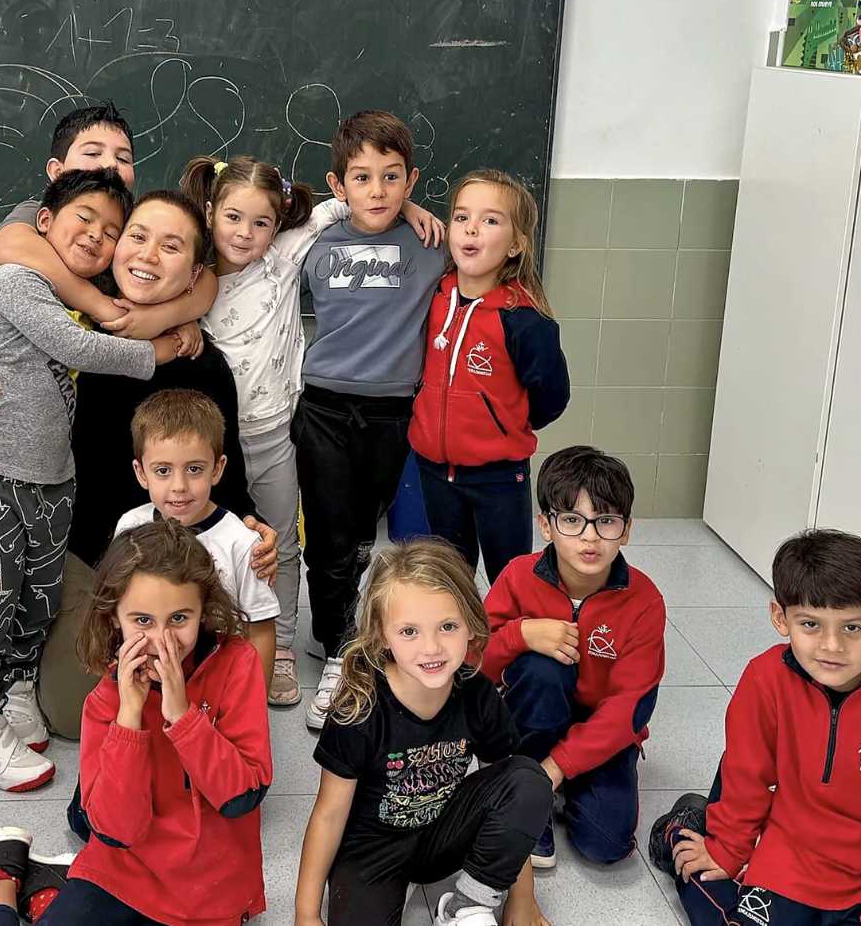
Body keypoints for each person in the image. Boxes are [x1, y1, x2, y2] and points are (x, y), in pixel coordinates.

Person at [0, 188, 278, 740]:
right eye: (136, 237)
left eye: (171, 247)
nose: (146, 255)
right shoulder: (66, 332)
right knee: (74, 715)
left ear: (195, 276)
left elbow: (225, 473)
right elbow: (9, 408)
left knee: (177, 688)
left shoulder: (204, 364)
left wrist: (254, 529)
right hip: (85, 552)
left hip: (172, 571)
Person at [0, 168, 178, 791]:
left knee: (34, 602)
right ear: (43, 223)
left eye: (111, 231)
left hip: (51, 481)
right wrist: (163, 351)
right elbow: (81, 349)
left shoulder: (73, 289)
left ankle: (12, 698)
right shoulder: (16, 281)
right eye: (84, 221)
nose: (98, 239)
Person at [0, 521, 271, 926]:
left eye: (179, 618)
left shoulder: (238, 664)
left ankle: (43, 890)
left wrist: (184, 717)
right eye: (143, 620)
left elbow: (242, 797)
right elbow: (116, 831)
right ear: (114, 616)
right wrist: (129, 720)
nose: (162, 640)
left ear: (204, 609)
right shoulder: (105, 701)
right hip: (122, 878)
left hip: (208, 894)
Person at [179, 153, 443, 705]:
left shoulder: (285, 253)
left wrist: (409, 204)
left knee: (280, 537)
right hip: (206, 438)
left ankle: (276, 649)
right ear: (209, 214)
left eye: (261, 222)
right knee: (203, 535)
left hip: (274, 429)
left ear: (278, 225)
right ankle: (204, 637)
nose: (246, 233)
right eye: (232, 218)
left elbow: (351, 205)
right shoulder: (191, 270)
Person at [651, 529, 861, 926]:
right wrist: (727, 848)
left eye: (852, 628)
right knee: (713, 887)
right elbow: (746, 775)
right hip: (789, 860)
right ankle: (683, 829)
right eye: (811, 624)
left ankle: (701, 818)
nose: (831, 645)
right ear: (781, 619)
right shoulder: (765, 679)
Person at [295, 538, 553, 926]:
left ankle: (466, 902)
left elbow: (511, 789)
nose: (431, 647)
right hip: (372, 848)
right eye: (409, 632)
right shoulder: (358, 708)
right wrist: (305, 913)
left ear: (470, 626)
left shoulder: (477, 694)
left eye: (447, 626)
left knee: (531, 778)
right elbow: (329, 815)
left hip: (442, 833)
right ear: (382, 634)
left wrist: (522, 902)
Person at [295, 109, 447, 728]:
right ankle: (337, 653)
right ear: (338, 186)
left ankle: (380, 633)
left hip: (396, 415)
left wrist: (419, 214)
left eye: (391, 178)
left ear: (411, 181)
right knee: (331, 538)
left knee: (382, 542)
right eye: (362, 178)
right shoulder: (311, 244)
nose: (377, 191)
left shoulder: (431, 244)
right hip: (324, 408)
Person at [478, 446, 664, 920]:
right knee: (543, 668)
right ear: (546, 525)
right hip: (533, 714)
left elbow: (631, 709)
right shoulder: (519, 576)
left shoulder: (644, 600)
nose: (590, 538)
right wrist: (522, 633)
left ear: (627, 529)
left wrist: (558, 767)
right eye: (572, 520)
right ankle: (529, 791)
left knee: (607, 845)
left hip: (602, 728)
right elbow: (476, 661)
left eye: (606, 521)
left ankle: (555, 781)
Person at [408, 169, 569, 584]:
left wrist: (502, 422)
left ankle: (508, 646)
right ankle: (457, 649)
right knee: (449, 579)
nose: (472, 228)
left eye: (491, 220)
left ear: (516, 244)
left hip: (498, 476)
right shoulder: (434, 293)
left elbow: (552, 396)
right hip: (434, 471)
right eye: (461, 218)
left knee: (510, 578)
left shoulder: (524, 319)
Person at [0, 101, 215, 341]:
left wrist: (166, 317)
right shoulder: (44, 213)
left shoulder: (136, 224)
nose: (110, 165)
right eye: (92, 153)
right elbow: (10, 245)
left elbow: (205, 282)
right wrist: (99, 305)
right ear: (57, 171)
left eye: (124, 158)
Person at [113, 387, 280, 684]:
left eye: (194, 469)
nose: (179, 486)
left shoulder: (242, 543)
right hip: (146, 677)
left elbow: (261, 629)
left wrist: (255, 706)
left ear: (217, 469)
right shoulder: (129, 526)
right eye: (163, 470)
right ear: (141, 473)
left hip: (217, 681)